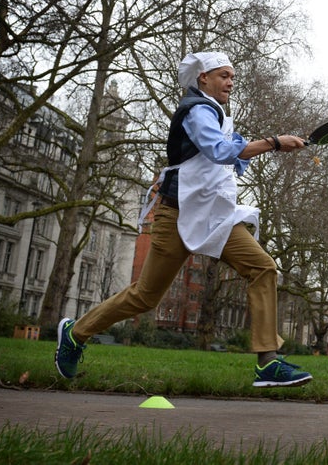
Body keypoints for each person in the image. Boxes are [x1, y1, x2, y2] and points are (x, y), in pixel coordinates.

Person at [54, 51, 312, 388]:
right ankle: (76, 334)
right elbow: (218, 151)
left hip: (214, 215)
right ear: (203, 77)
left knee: (263, 267)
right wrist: (274, 143)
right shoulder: (198, 110)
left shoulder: (215, 113)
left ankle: (267, 362)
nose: (230, 83)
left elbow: (230, 154)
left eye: (233, 77)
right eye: (224, 76)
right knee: (145, 297)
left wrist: (261, 147)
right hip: (176, 214)